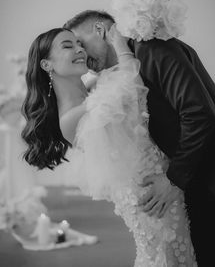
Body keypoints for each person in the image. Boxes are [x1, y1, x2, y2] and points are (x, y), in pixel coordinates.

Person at [64, 7, 215, 267]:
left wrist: (173, 180)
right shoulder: (118, 74)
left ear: (100, 30)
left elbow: (199, 113)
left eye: (80, 42)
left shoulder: (153, 49)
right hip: (194, 180)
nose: (80, 52)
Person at [21, 27, 197, 266]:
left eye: (79, 43)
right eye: (67, 45)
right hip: (151, 199)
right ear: (46, 65)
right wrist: (118, 42)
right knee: (166, 258)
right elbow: (130, 86)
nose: (80, 49)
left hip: (165, 186)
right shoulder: (72, 117)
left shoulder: (94, 90)